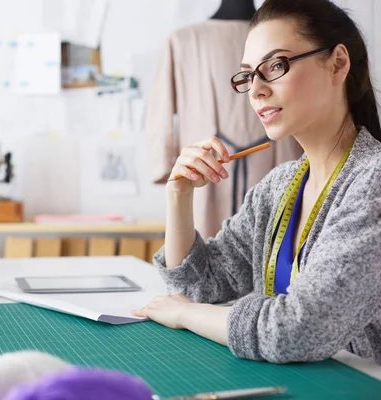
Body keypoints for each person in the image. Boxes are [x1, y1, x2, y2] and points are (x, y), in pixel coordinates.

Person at [133, 0, 381, 365]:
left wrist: (186, 314)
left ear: (338, 63)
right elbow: (200, 285)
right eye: (249, 75)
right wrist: (178, 195)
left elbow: (298, 331)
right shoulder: (278, 186)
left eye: (276, 66)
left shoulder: (372, 182)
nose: (256, 90)